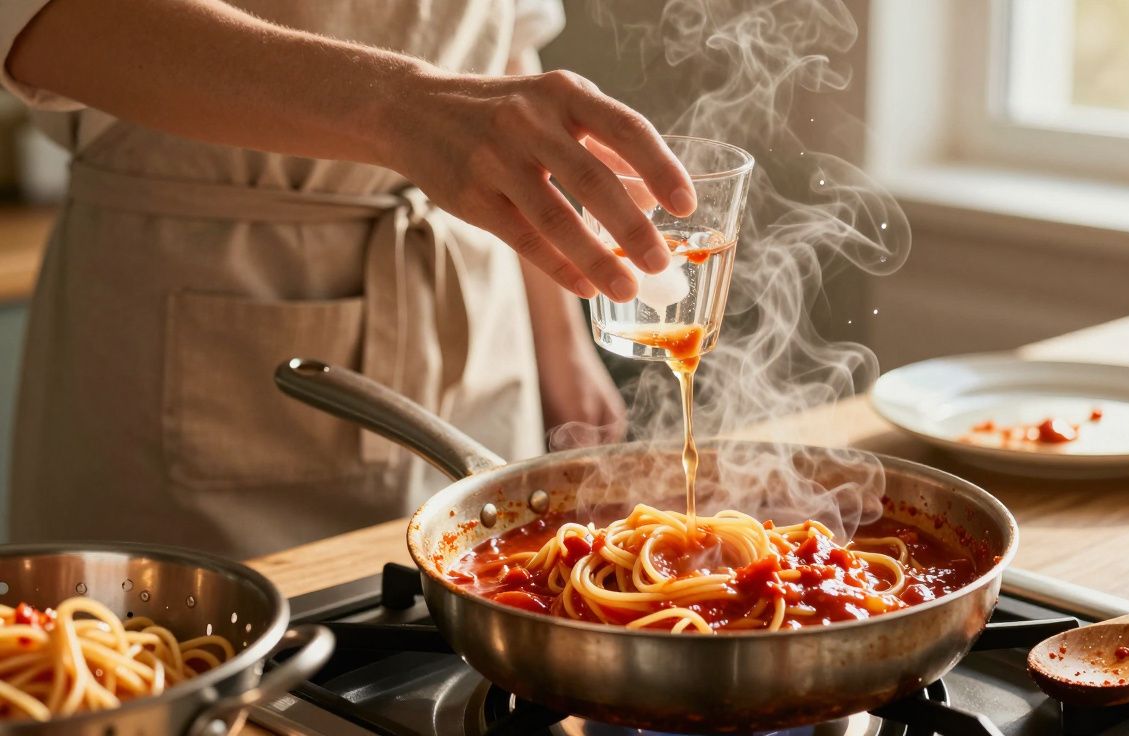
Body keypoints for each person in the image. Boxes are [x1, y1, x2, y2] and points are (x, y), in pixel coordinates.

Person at [0, 0, 695, 558]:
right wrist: (403, 108)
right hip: (193, 319)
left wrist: (559, 344)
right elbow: (36, 21)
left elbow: (500, 34)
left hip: (476, 313)